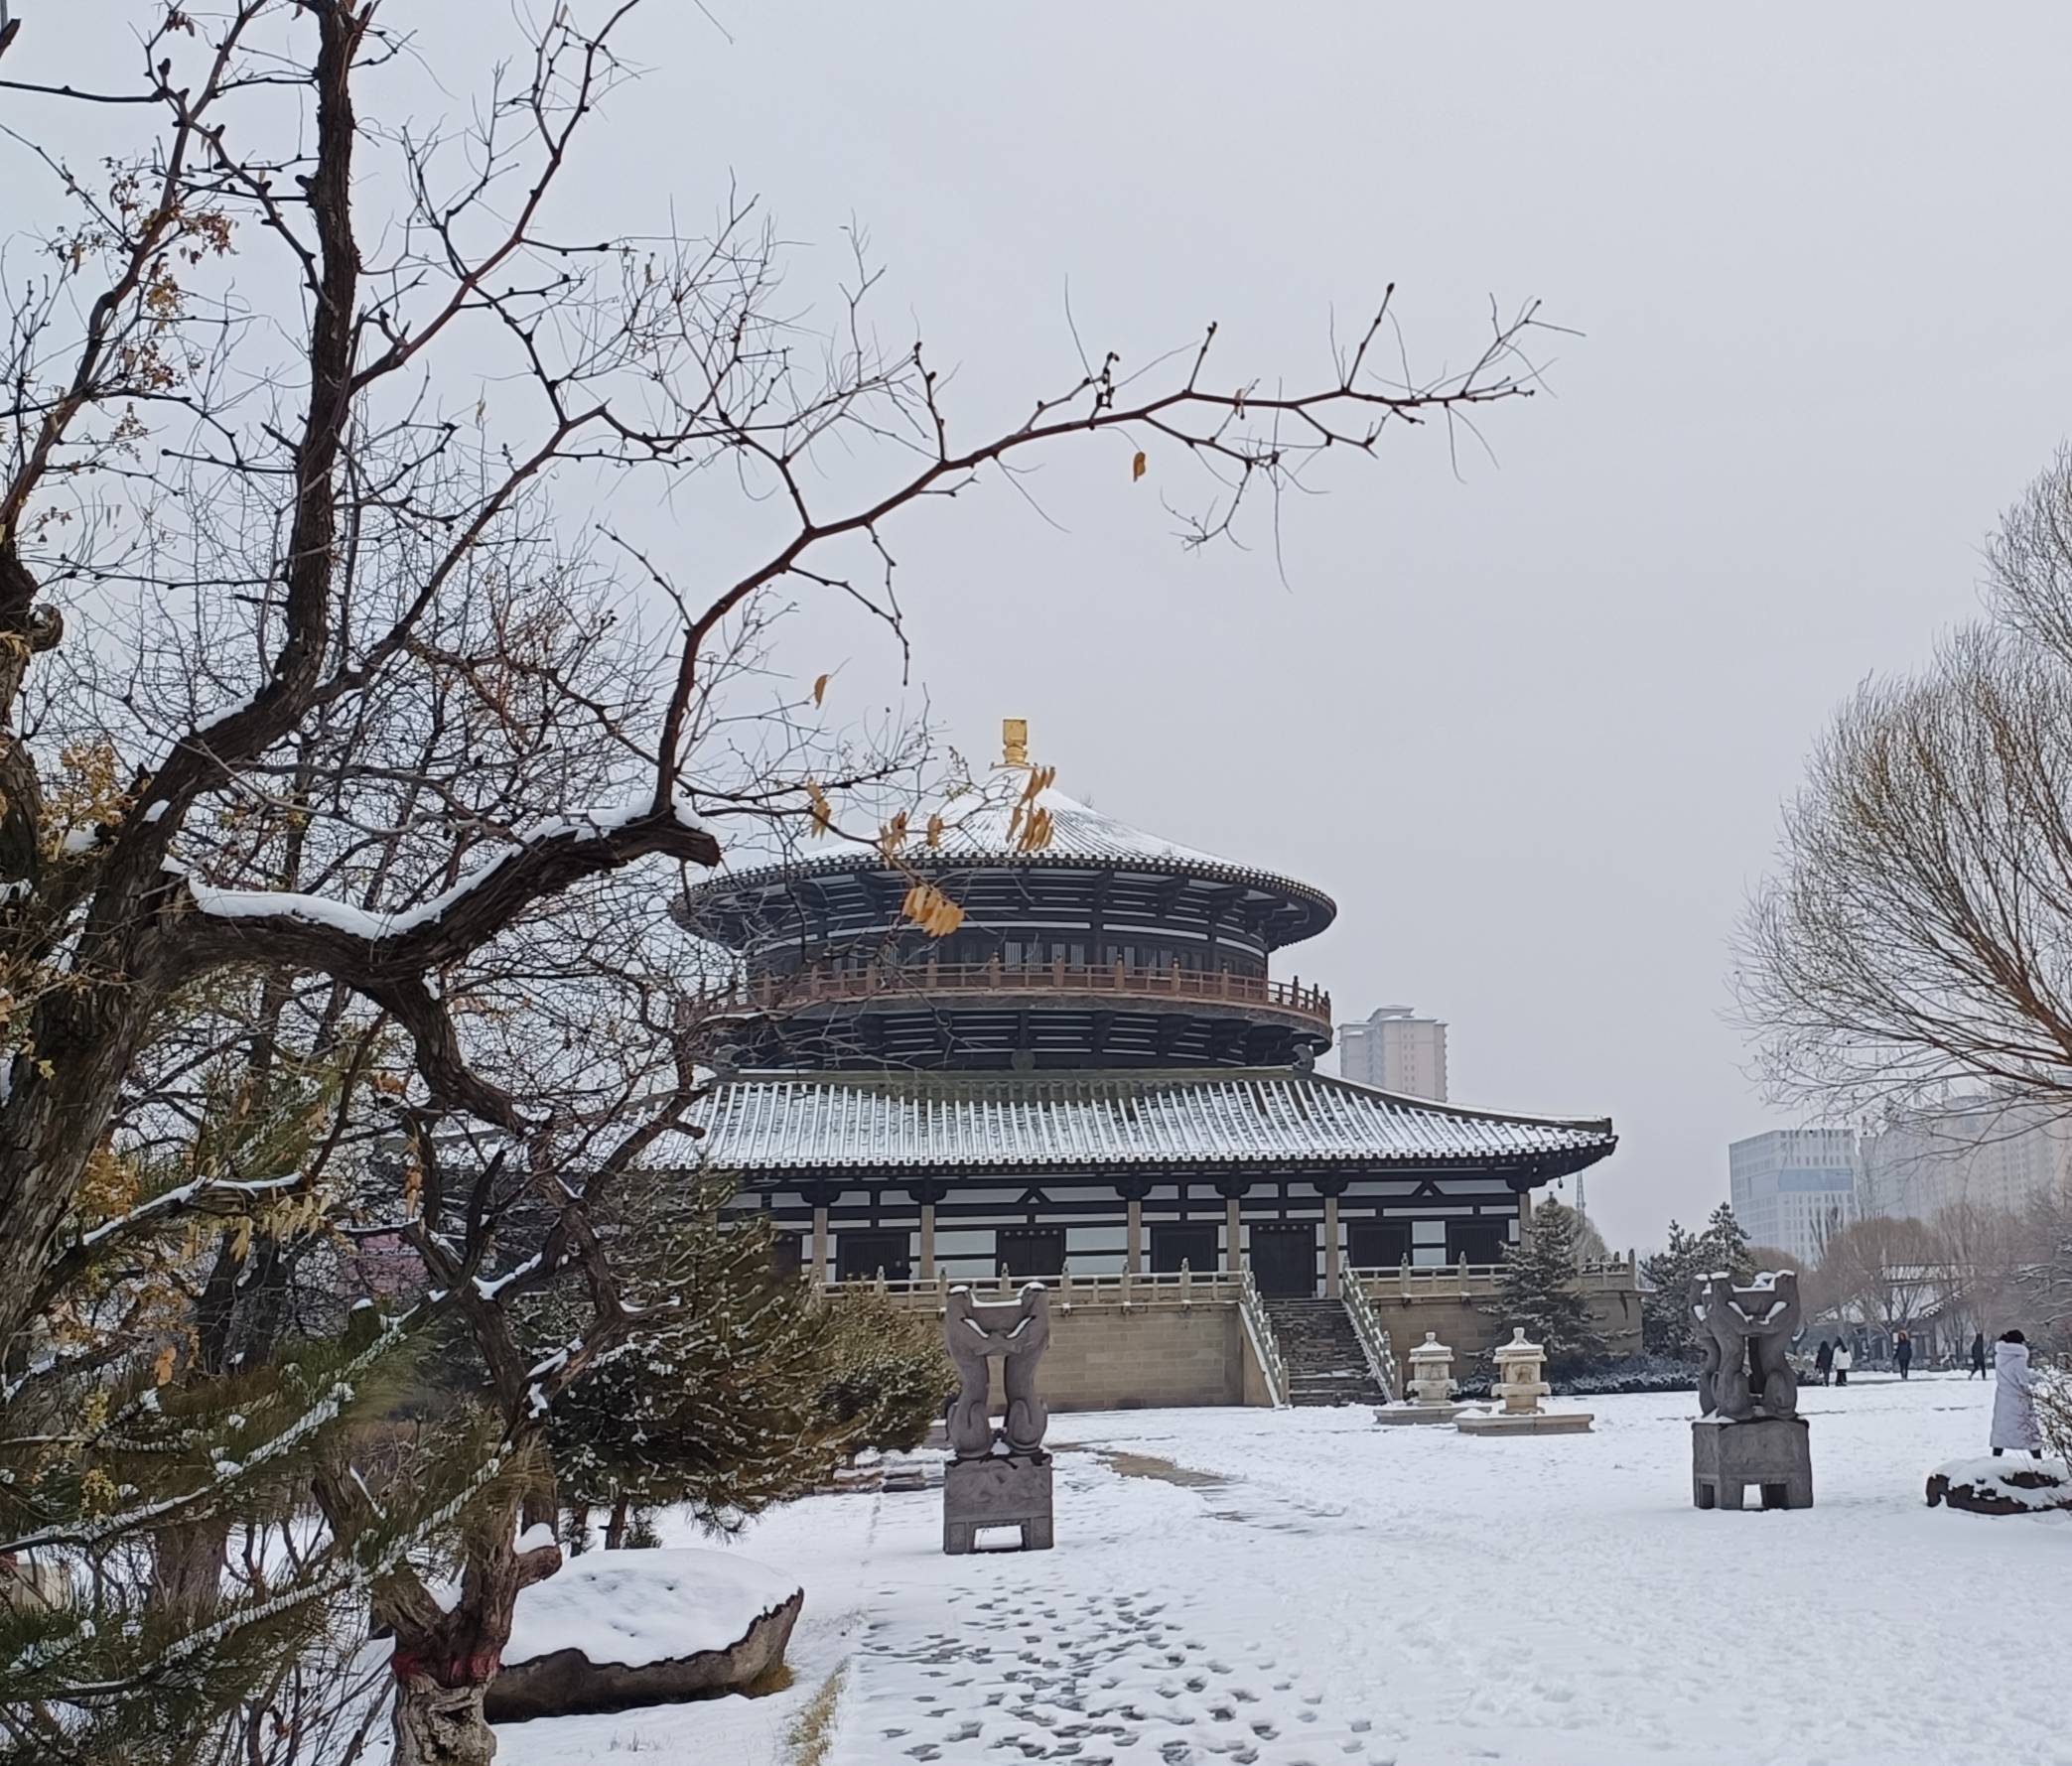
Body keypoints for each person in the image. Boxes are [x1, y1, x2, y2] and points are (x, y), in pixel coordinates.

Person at [1991, 1329, 2043, 1460]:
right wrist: (2038, 1376)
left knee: (2002, 1430)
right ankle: (2038, 1460)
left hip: (2003, 1398)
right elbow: (2024, 1379)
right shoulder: (2018, 1359)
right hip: (2018, 1399)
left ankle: (1995, 1458)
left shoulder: (1999, 1357)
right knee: (2027, 1431)